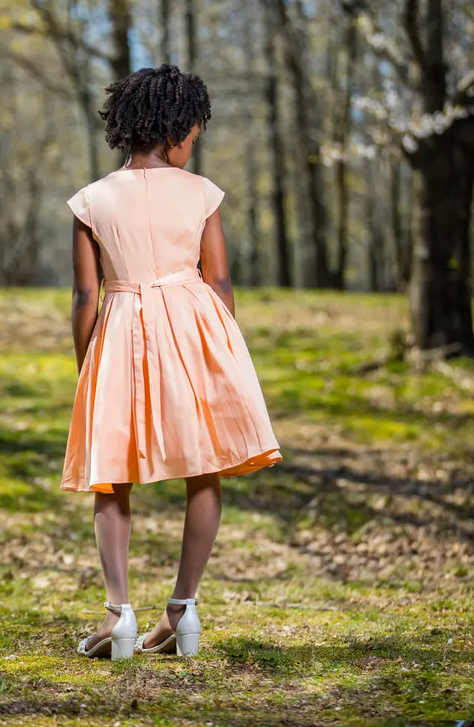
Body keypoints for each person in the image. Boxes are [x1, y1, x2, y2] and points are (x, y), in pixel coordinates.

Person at [62, 63, 282, 660]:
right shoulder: (202, 193)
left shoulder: (91, 200)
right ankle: (183, 608)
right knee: (203, 469)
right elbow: (221, 279)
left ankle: (119, 615)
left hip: (122, 330)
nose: (194, 145)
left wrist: (89, 365)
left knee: (111, 476)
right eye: (193, 133)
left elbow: (86, 296)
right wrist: (228, 352)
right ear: (175, 128)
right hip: (195, 331)